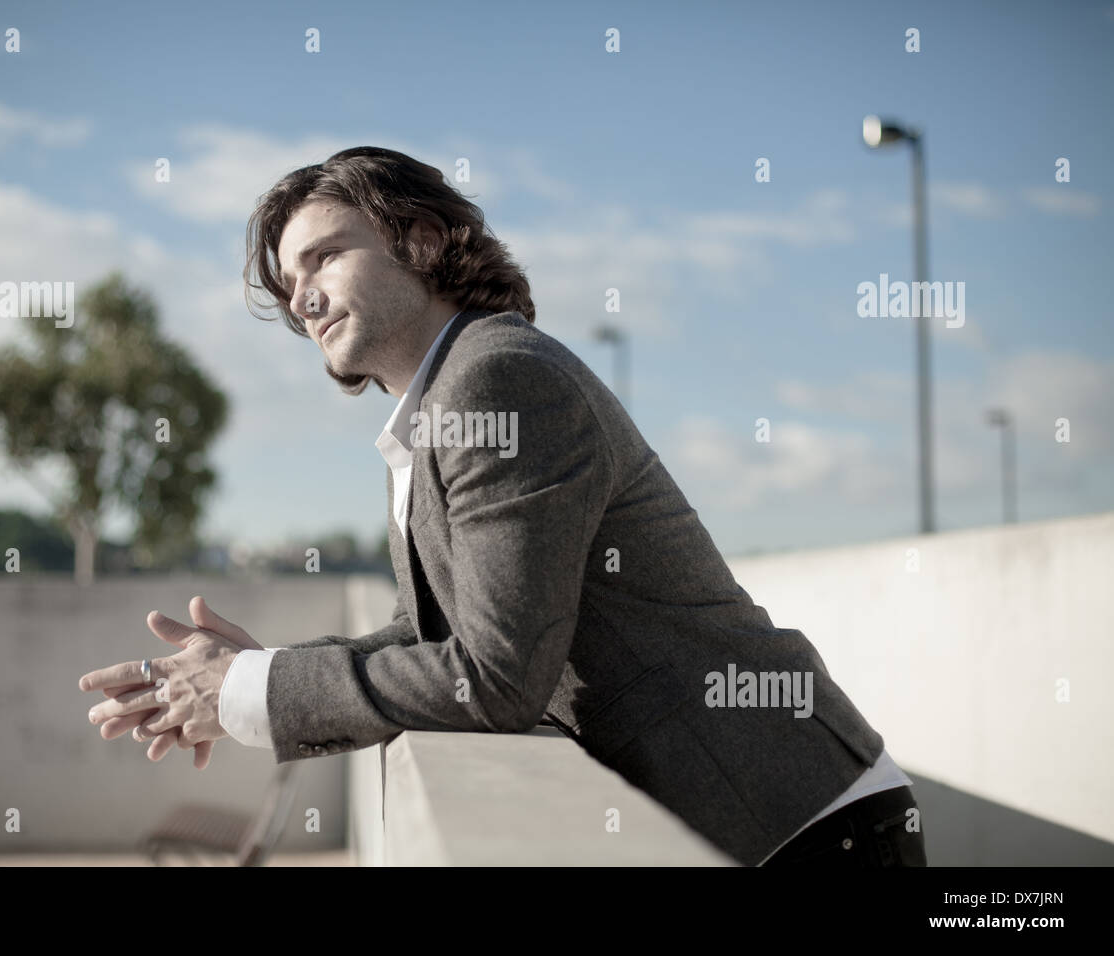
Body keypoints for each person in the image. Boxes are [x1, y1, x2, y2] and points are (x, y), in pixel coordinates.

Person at [80, 146, 926, 867]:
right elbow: (440, 640)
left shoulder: (499, 378)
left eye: (326, 257)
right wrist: (253, 677)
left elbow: (493, 676)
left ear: (421, 240)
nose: (302, 299)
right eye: (289, 280)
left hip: (808, 823)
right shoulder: (429, 416)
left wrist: (255, 688)